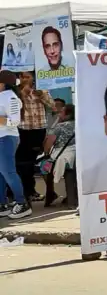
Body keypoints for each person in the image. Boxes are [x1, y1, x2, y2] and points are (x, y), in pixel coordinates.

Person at [15, 72, 54, 206]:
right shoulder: (16, 92)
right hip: (22, 130)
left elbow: (53, 106)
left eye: (27, 76)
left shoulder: (41, 90)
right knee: (22, 163)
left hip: (38, 130)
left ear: (33, 77)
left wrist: (42, 95)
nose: (25, 79)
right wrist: (22, 94)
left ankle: (31, 191)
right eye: (22, 77)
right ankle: (27, 191)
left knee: (32, 162)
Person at [0, 71, 29, 219]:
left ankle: (22, 203)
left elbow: (15, 121)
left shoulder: (10, 97)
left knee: (8, 171)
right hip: (2, 137)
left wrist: (1, 120)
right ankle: (2, 204)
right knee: (1, 173)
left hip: (7, 137)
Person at [41, 103, 75, 206]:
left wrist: (46, 153)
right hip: (76, 156)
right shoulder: (80, 124)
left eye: (61, 112)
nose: (59, 115)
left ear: (68, 115)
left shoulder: (60, 126)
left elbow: (48, 144)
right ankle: (72, 198)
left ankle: (50, 192)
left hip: (62, 156)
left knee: (44, 167)